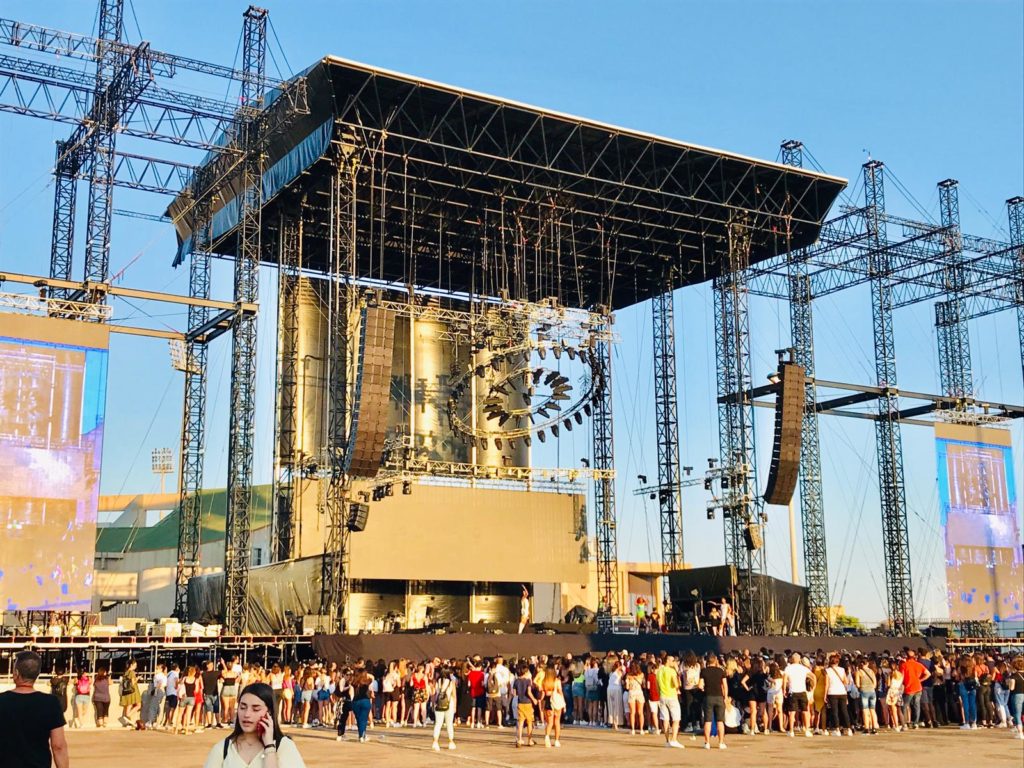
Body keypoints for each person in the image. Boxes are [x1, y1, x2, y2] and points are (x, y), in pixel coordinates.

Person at [203, 682, 306, 768]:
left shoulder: (284, 746)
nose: (247, 714)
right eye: (242, 708)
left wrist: (269, 747)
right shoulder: (223, 749)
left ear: (269, 712)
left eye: (256, 709)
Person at [0, 650, 69, 768]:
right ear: (37, 674)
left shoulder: (2, 700)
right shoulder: (51, 703)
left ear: (16, 673)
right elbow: (58, 746)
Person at [699, 654, 728, 750]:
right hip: (719, 696)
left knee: (708, 721)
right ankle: (721, 742)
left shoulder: (704, 671)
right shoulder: (720, 671)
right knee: (720, 721)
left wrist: (703, 689)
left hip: (708, 697)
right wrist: (725, 697)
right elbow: (725, 685)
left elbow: (700, 685)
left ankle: (707, 743)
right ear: (715, 660)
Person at [783, 652, 814, 737]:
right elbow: (812, 676)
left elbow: (785, 679)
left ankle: (791, 731)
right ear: (799, 660)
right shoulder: (803, 668)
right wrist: (813, 687)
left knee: (792, 712)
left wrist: (784, 689)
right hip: (802, 691)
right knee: (805, 711)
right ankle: (807, 730)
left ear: (792, 659)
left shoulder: (788, 668)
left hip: (793, 691)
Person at [656, 655, 683, 748]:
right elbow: (676, 684)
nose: (674, 662)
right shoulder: (671, 671)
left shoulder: (659, 671)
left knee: (665, 719)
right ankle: (674, 739)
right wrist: (677, 674)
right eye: (672, 660)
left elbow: (657, 686)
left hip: (662, 696)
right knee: (676, 718)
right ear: (668, 661)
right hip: (671, 696)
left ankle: (667, 741)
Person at [823, 653, 853, 736]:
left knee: (835, 711)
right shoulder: (842, 669)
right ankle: (848, 729)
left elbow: (826, 684)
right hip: (842, 692)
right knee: (844, 711)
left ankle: (837, 729)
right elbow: (846, 682)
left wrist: (825, 695)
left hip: (832, 692)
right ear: (838, 662)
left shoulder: (827, 671)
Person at [900, 649, 929, 728]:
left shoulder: (904, 665)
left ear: (907, 657)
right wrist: (920, 680)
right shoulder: (918, 664)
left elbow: (901, 677)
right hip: (918, 687)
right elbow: (928, 674)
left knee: (904, 705)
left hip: (909, 687)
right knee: (917, 705)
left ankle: (904, 723)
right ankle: (916, 723)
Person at [432, 665, 458, 751]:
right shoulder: (451, 682)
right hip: (449, 703)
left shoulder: (437, 681)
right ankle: (451, 742)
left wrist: (433, 704)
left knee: (438, 724)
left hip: (438, 704)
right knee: (449, 724)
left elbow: (434, 694)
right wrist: (455, 706)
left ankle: (435, 742)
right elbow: (454, 695)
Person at [513, 661, 538, 747]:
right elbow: (529, 692)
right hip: (528, 703)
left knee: (520, 722)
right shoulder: (528, 681)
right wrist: (534, 699)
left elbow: (514, 693)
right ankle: (530, 740)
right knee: (529, 722)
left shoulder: (516, 681)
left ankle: (519, 739)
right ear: (525, 672)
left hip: (520, 703)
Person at [856, 657, 879, 734]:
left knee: (865, 710)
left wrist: (860, 687)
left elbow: (857, 684)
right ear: (867, 663)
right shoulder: (871, 671)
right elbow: (875, 683)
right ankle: (874, 728)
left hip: (864, 691)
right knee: (872, 710)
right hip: (872, 692)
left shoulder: (859, 672)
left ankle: (867, 728)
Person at [118, 658, 142, 727]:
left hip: (126, 692)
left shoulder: (126, 672)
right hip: (133, 691)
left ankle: (126, 720)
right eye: (135, 665)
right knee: (138, 705)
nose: (136, 666)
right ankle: (128, 716)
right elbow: (133, 683)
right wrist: (138, 678)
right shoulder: (132, 672)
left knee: (129, 705)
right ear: (131, 665)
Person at [1006, 655, 1024, 740]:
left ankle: (1020, 733)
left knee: (1017, 714)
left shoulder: (1014, 676)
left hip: (1017, 695)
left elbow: (1012, 688)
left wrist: (1008, 683)